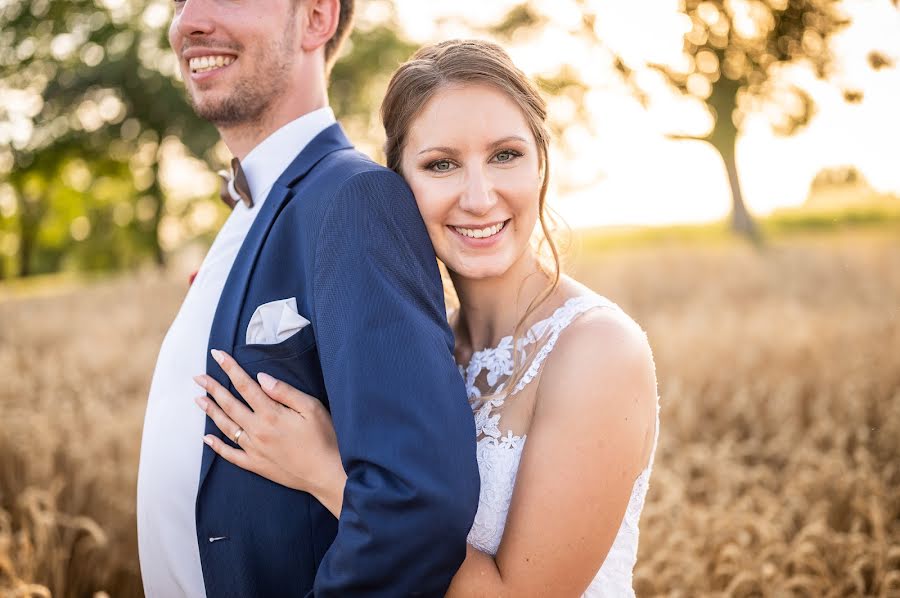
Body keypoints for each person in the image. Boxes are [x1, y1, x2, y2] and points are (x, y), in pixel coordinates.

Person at [195, 40, 660, 596]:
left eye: (505, 155)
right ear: (399, 187)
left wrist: (327, 475)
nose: (480, 197)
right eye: (442, 165)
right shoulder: (418, 348)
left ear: (541, 163)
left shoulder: (597, 350)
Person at [136, 1, 480, 596]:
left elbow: (416, 509)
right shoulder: (246, 212)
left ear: (317, 17)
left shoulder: (353, 198)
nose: (188, 20)